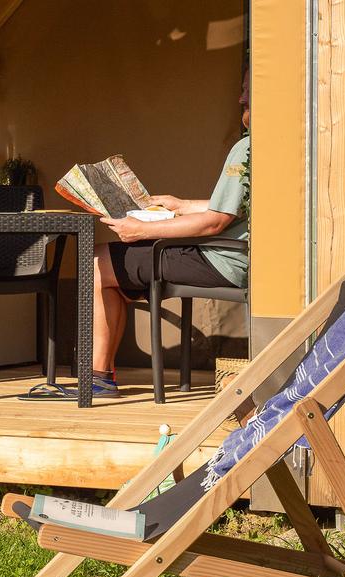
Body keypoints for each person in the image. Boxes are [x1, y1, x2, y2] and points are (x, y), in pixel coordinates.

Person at [91, 78, 251, 397]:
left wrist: (141, 230)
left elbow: (214, 223)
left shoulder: (246, 148)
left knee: (96, 262)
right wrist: (182, 205)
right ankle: (102, 373)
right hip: (238, 254)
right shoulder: (274, 144)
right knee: (116, 272)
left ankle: (98, 378)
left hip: (221, 257)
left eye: (247, 91)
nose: (240, 99)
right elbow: (237, 206)